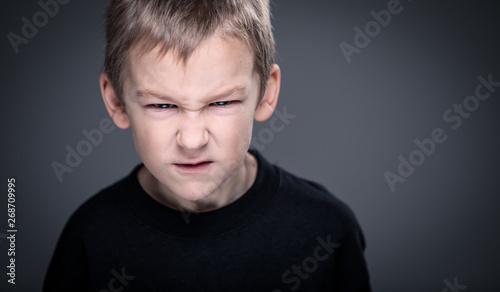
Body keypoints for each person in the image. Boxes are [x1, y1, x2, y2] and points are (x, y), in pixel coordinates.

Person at [44, 0, 371, 291]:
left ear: (266, 94)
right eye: (162, 106)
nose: (192, 140)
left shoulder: (326, 231)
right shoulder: (89, 237)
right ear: (116, 101)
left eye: (221, 102)